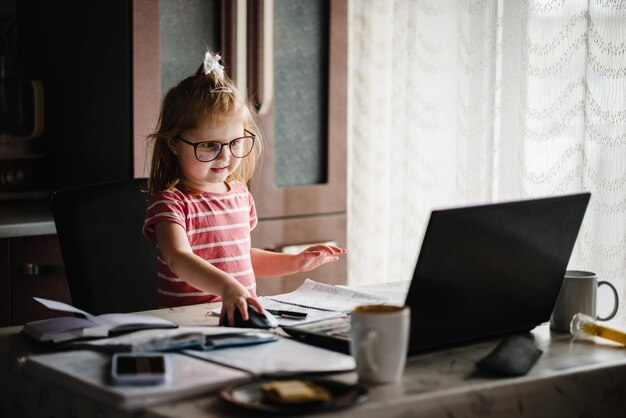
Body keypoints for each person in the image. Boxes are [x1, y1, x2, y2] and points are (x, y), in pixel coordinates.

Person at [143, 51, 346, 326]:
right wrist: (227, 287)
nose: (225, 157)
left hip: (235, 319)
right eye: (209, 145)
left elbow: (240, 257)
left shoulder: (239, 194)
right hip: (188, 325)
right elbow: (178, 257)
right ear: (174, 143)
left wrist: (294, 262)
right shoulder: (171, 203)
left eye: (235, 143)